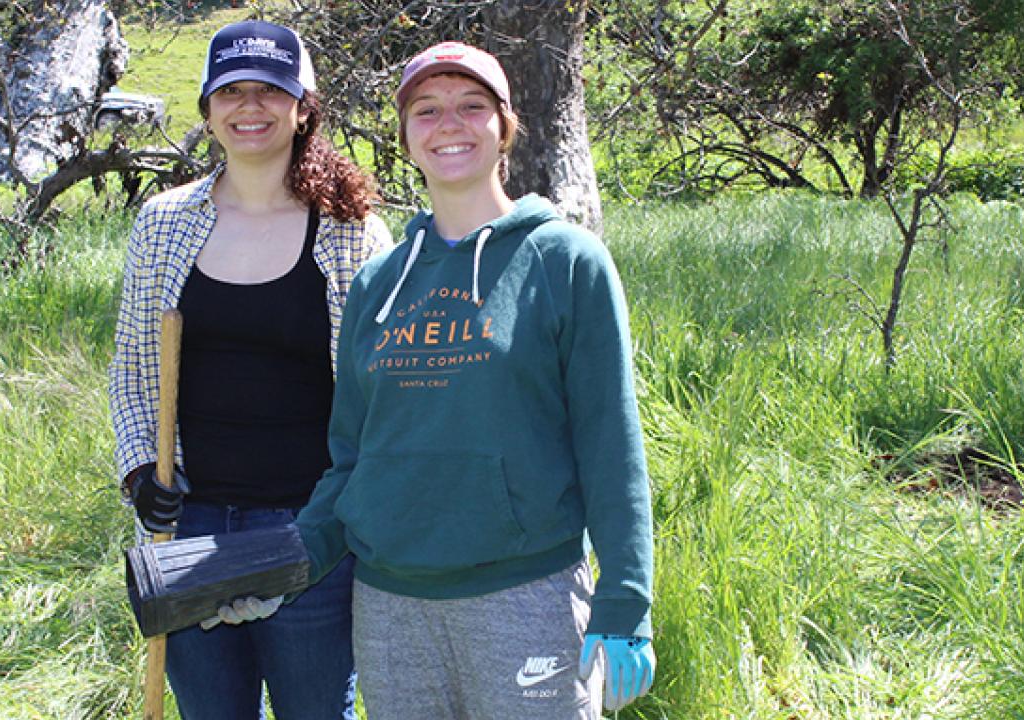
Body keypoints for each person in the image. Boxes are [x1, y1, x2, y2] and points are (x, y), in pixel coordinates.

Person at [283, 41, 657, 718]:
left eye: (471, 106)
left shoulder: (565, 260)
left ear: (505, 127)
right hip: (392, 608)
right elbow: (352, 459)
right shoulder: (379, 284)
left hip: (526, 597)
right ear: (404, 137)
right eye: (426, 110)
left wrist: (625, 601)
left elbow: (611, 444)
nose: (448, 123)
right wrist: (293, 558)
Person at [108, 19, 390, 720]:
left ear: (303, 109)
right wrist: (143, 471)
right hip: (189, 529)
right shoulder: (164, 223)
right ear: (207, 111)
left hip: (313, 535)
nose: (250, 108)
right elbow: (134, 370)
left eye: (270, 90)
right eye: (230, 91)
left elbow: (384, 392)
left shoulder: (351, 229)